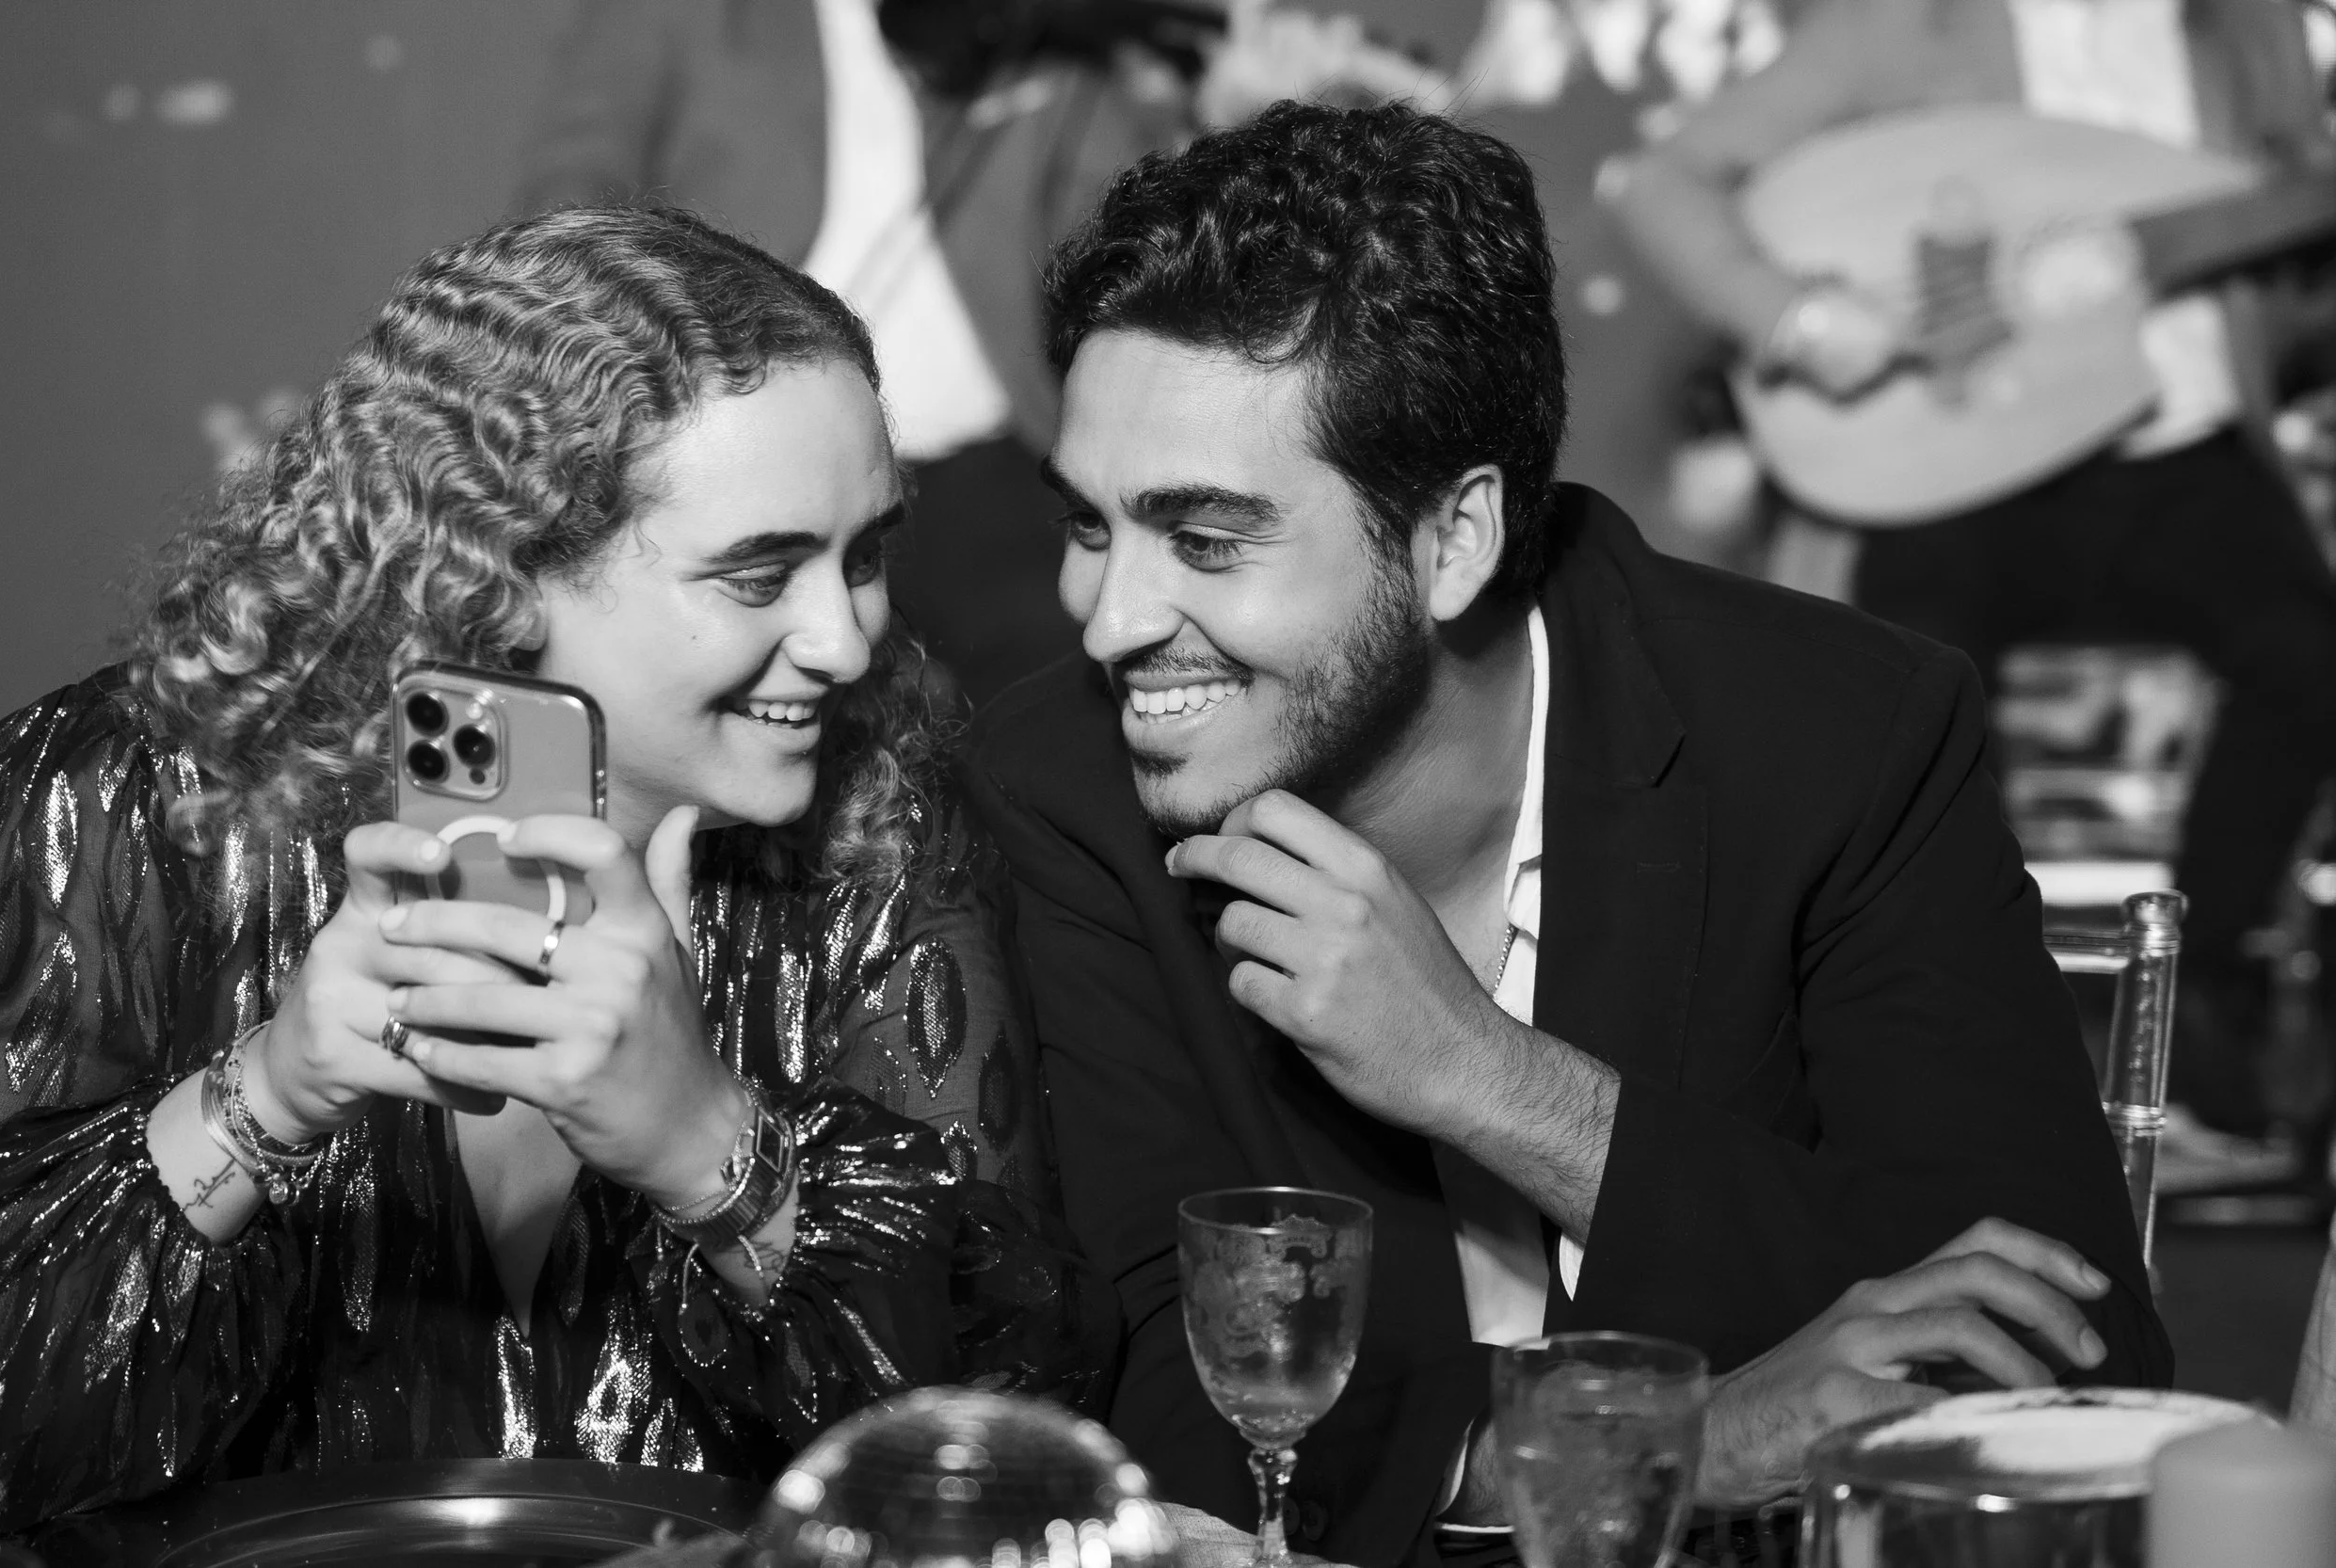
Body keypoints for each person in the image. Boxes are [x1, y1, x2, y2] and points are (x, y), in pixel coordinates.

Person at [961, 103, 2168, 1567]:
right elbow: (1140, 1408)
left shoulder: (1834, 738)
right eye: (1091, 526)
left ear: (1455, 536)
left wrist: (1496, 1081)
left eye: (1207, 540)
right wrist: (1674, 1445)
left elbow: (2070, 1357)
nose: (1112, 617)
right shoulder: (1062, 788)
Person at [0, 206, 1110, 1532]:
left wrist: (709, 1144)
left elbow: (1008, 1444)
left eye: (863, 557)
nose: (847, 643)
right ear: (501, 572)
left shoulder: (878, 823)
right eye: (760, 576)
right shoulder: (124, 797)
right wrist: (267, 1091)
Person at [1607, 0, 2336, 1159]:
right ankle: (1935, 1042)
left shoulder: (2240, 33)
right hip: (1948, 454)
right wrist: (1793, 312)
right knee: (1904, 702)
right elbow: (1668, 182)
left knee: (2314, 654)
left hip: (2175, 439)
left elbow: (2282, 256)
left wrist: (2161, 277)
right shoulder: (1909, 21)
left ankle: (2196, 990)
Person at [517, 0, 1192, 706]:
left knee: (1072, 675)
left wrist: (1142, 89)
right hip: (742, 452)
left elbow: (1120, 235)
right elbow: (568, 217)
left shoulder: (1034, 32)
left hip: (984, 464)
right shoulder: (685, 16)